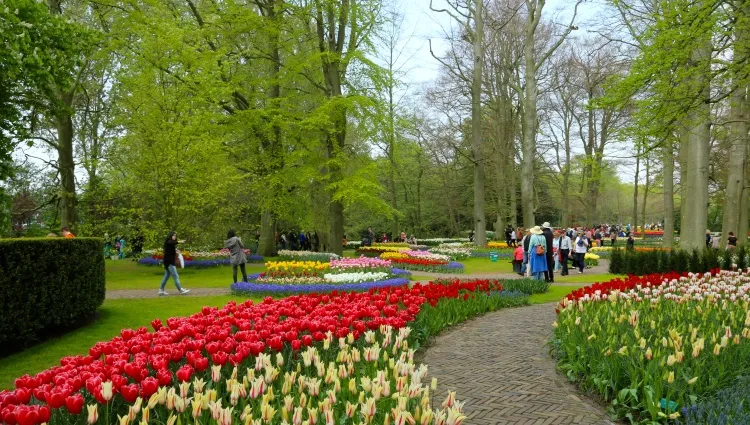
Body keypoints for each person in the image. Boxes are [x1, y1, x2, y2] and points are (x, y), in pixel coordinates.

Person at [159, 232, 190, 296]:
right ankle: (181, 290)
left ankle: (161, 291)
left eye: (175, 236)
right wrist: (180, 242)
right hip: (169, 262)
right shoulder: (169, 242)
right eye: (173, 236)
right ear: (170, 236)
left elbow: (170, 251)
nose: (174, 237)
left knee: (166, 276)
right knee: (176, 276)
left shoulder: (170, 244)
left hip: (168, 262)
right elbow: (172, 242)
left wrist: (176, 252)